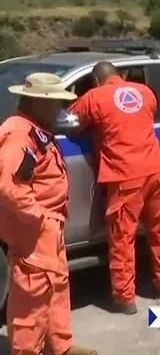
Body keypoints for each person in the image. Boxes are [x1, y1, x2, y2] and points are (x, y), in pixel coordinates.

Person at [0, 73, 98, 355]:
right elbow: (10, 187)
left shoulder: (35, 128)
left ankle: (60, 346)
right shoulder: (19, 134)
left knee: (55, 287)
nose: (60, 109)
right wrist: (39, 219)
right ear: (38, 103)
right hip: (34, 229)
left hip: (48, 226)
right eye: (55, 103)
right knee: (32, 297)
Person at [68, 62, 160, 315]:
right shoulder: (145, 92)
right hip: (154, 169)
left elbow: (70, 121)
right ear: (121, 75)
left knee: (122, 238)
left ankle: (125, 299)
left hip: (125, 175)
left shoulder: (94, 97)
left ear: (95, 80)